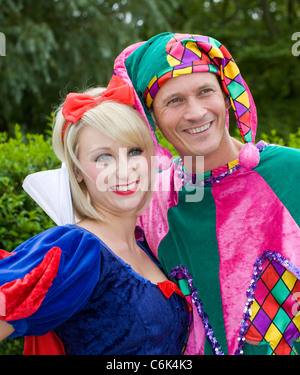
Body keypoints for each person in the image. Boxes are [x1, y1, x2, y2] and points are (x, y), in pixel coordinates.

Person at [112, 32, 300, 355]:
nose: (196, 112)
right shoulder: (150, 204)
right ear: (152, 118)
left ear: (226, 95)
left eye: (205, 92)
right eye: (174, 101)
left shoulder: (291, 171)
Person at [0, 75, 190, 355]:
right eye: (103, 157)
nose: (124, 170)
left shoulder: (145, 246)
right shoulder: (74, 248)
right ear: (77, 171)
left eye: (134, 151)